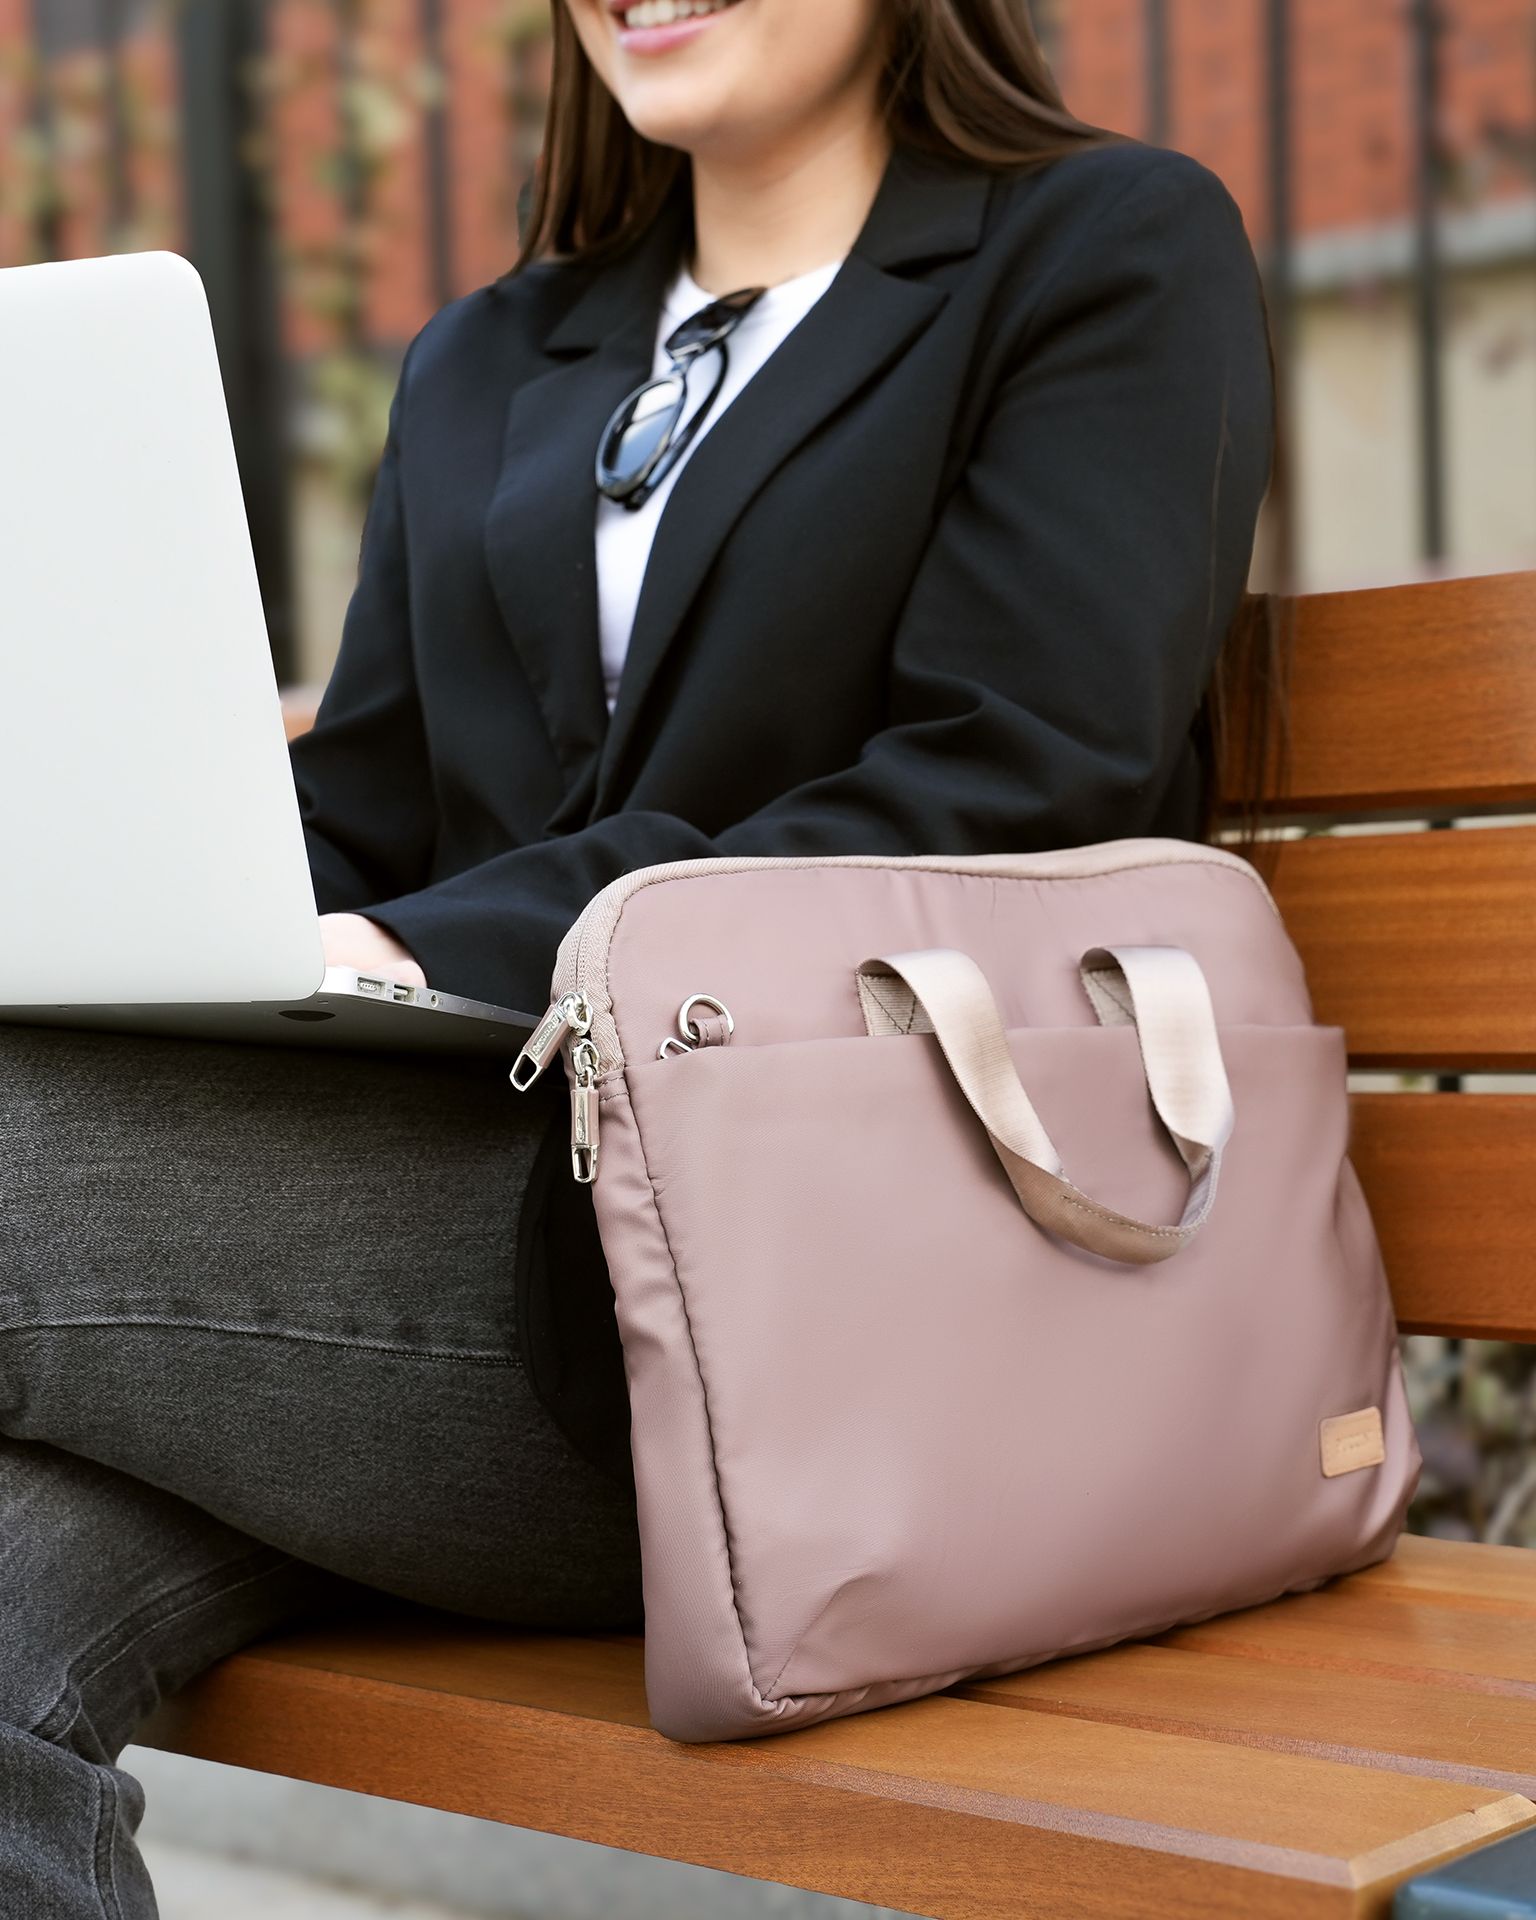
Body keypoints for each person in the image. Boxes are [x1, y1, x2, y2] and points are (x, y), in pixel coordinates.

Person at [0, 0, 1279, 1911]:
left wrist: (429, 940)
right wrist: (156, 900)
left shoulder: (1096, 253)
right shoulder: (491, 355)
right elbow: (368, 807)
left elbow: (1013, 781)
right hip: (419, 1291)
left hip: (815, 1327)